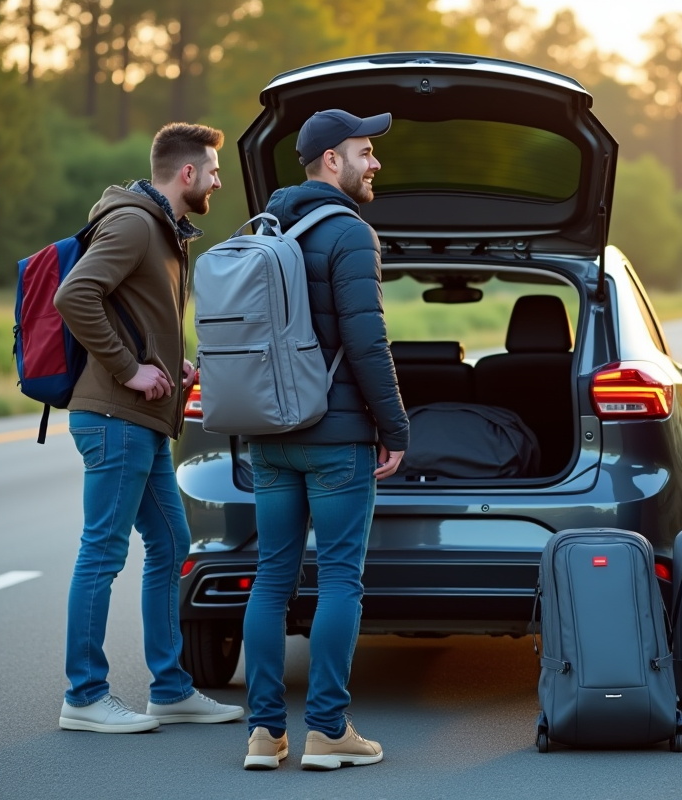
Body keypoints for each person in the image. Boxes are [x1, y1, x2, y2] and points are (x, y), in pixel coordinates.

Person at [54, 123, 243, 733]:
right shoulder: (135, 223)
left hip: (143, 422)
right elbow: (74, 295)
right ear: (186, 173)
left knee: (170, 543)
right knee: (102, 553)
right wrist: (130, 368)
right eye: (213, 170)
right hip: (114, 417)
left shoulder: (162, 230)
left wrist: (168, 360)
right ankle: (84, 697)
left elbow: (132, 311)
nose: (218, 179)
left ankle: (171, 687)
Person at [240, 109, 410, 771]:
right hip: (336, 437)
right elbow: (368, 343)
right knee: (340, 578)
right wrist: (393, 428)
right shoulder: (349, 234)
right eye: (365, 153)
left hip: (268, 433)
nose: (374, 165)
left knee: (272, 580)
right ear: (332, 160)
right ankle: (327, 731)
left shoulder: (262, 228)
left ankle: (262, 734)